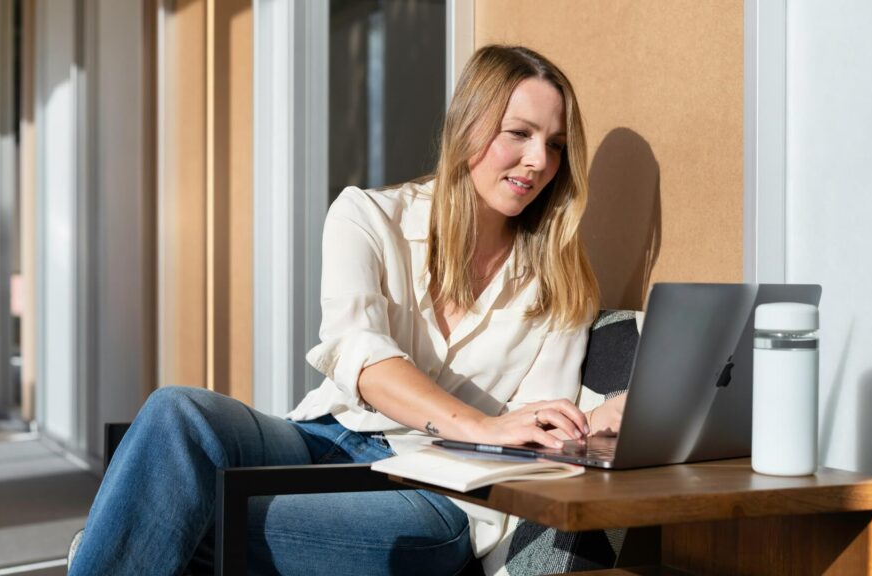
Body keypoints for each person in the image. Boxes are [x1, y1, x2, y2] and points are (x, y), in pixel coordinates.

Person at [68, 44, 626, 576]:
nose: (539, 161)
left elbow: (536, 425)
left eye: (555, 145)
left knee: (161, 513)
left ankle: (120, 539)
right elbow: (361, 356)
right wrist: (481, 424)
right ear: (469, 127)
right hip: (325, 437)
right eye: (520, 134)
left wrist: (601, 421)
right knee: (177, 412)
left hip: (433, 494)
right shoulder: (367, 217)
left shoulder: (561, 282)